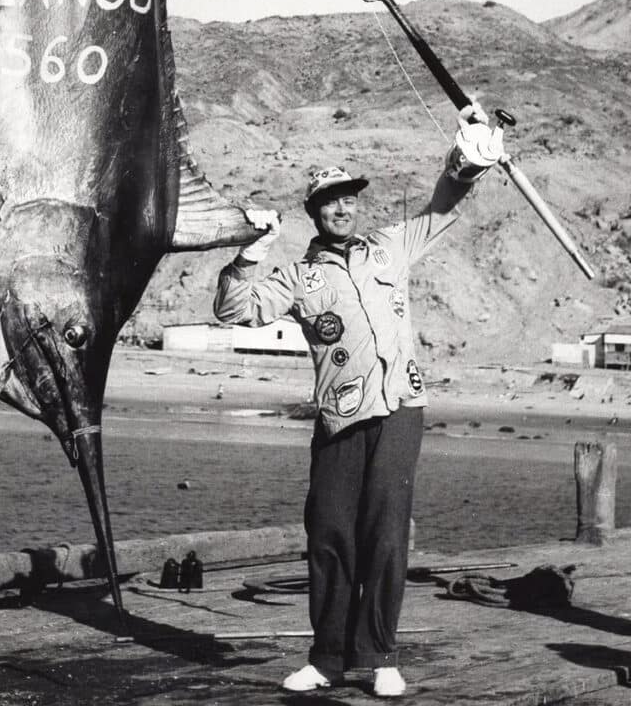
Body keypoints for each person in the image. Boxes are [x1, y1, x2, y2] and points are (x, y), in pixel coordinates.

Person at [213, 105, 505, 696]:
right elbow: (232, 310)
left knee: (387, 534)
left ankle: (380, 657)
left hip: (400, 409)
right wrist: (250, 252)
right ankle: (326, 658)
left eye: (349, 197)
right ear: (314, 212)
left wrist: (467, 160)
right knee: (328, 533)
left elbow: (442, 207)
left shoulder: (391, 247)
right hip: (339, 416)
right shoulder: (296, 277)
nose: (342, 207)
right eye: (330, 200)